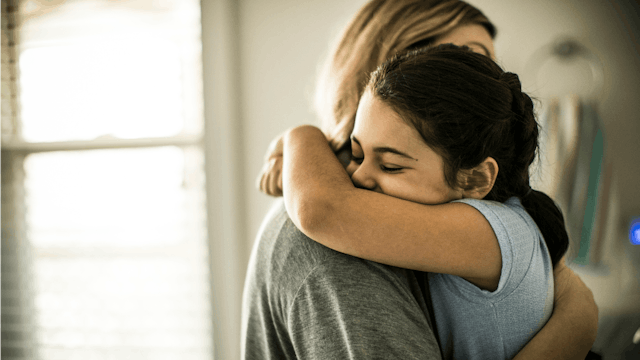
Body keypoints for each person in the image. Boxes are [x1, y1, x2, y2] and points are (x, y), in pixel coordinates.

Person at [243, 0, 598, 359]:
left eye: (486, 67)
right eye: (456, 65)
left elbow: (325, 208)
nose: (480, 90)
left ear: (476, 177)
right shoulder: (336, 241)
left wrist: (299, 136)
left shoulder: (488, 225)